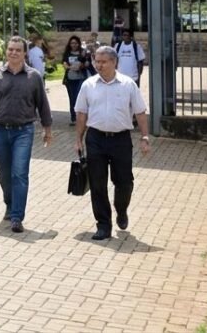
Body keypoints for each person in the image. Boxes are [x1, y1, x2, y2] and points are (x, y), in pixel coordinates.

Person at [74, 45, 151, 241]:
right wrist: (78, 139)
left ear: (114, 62)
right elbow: (81, 113)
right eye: (96, 61)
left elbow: (140, 112)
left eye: (103, 62)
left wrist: (144, 137)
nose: (99, 65)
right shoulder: (88, 85)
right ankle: (103, 225)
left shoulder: (128, 84)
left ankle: (121, 209)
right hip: (95, 139)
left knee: (124, 181)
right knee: (97, 183)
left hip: (120, 139)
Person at [0, 36, 53, 234]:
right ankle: (10, 205)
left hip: (24, 132)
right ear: (6, 51)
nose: (13, 53)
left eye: (18, 50)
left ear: (25, 53)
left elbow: (42, 104)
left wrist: (47, 129)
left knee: (19, 173)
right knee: (4, 175)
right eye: (10, 49)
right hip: (0, 131)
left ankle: (17, 217)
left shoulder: (34, 76)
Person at [61, 35, 90, 125]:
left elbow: (87, 63)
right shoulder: (67, 53)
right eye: (72, 43)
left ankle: (83, 117)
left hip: (81, 78)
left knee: (80, 97)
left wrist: (81, 66)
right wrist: (71, 67)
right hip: (70, 79)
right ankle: (74, 118)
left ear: (78, 44)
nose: (74, 45)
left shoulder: (83, 52)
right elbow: (64, 63)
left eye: (75, 43)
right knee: (72, 98)